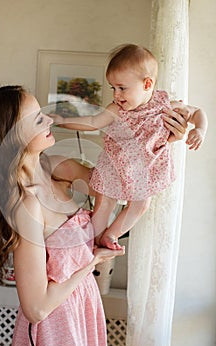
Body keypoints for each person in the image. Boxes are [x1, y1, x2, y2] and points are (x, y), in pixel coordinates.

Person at [0, 85, 128, 346]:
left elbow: (119, 187)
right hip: (57, 326)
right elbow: (37, 308)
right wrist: (93, 260)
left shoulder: (55, 167)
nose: (49, 119)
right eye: (37, 118)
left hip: (83, 309)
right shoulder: (26, 205)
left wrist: (156, 137)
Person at [50, 43, 208, 250]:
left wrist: (200, 130)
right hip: (114, 166)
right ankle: (93, 240)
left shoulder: (165, 104)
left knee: (142, 204)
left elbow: (197, 112)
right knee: (104, 201)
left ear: (147, 84)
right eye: (113, 88)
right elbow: (92, 122)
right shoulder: (117, 109)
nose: (116, 95)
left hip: (145, 169)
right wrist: (61, 120)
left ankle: (112, 235)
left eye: (122, 88)